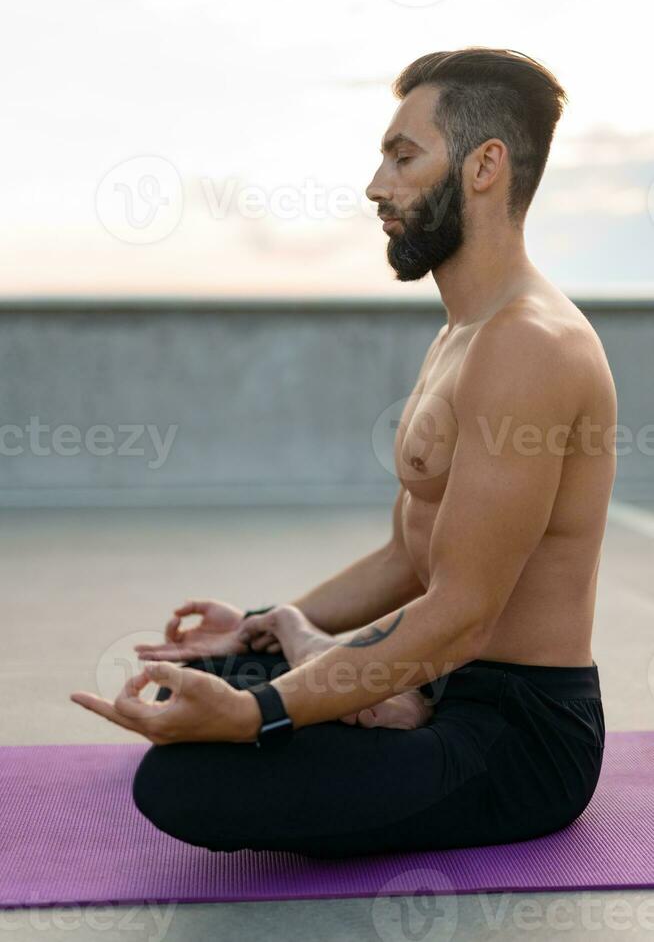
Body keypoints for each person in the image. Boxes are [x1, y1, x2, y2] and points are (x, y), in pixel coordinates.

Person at [70, 47, 615, 859]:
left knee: (183, 780)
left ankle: (390, 706)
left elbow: (462, 612)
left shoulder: (529, 347)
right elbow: (410, 551)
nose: (375, 187)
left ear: (484, 167)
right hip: (444, 675)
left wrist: (263, 712)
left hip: (519, 733)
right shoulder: (463, 334)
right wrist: (267, 627)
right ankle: (386, 701)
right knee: (189, 689)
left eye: (403, 156)